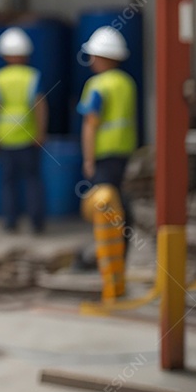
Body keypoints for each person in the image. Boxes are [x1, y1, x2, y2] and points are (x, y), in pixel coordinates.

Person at [75, 26, 137, 278]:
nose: (90, 61)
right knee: (121, 205)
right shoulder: (127, 82)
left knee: (104, 208)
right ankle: (119, 255)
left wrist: (88, 159)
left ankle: (108, 263)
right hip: (125, 152)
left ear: (102, 57)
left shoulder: (96, 85)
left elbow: (91, 125)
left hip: (104, 154)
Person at [0, 27, 46, 234]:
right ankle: (36, 223)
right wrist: (41, 132)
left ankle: (10, 222)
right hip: (28, 136)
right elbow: (40, 105)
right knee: (32, 180)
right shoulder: (33, 76)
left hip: (5, 136)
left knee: (8, 182)